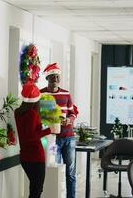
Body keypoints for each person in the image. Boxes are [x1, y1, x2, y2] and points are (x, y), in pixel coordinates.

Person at [40, 63, 78, 198]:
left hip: (68, 138)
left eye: (57, 76)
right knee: (52, 169)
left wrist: (69, 120)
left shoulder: (66, 94)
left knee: (70, 173)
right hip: (51, 141)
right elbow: (38, 116)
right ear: (47, 78)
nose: (55, 78)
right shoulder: (41, 94)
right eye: (52, 76)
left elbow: (73, 113)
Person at [15, 82, 51, 198]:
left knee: (34, 189)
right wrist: (48, 130)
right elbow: (31, 136)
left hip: (25, 157)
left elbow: (26, 133)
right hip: (35, 157)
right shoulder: (32, 114)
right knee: (37, 190)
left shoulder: (18, 112)